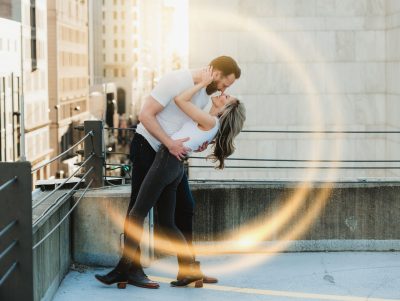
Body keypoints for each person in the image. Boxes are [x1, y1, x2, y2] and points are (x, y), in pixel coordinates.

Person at [95, 56, 241, 289]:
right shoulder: (176, 80)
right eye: (225, 84)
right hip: (148, 147)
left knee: (185, 207)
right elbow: (145, 116)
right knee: (137, 209)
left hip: (171, 156)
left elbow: (193, 124)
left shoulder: (204, 94)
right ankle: (132, 269)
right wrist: (173, 143)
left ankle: (189, 268)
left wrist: (199, 139)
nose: (224, 89)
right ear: (215, 73)